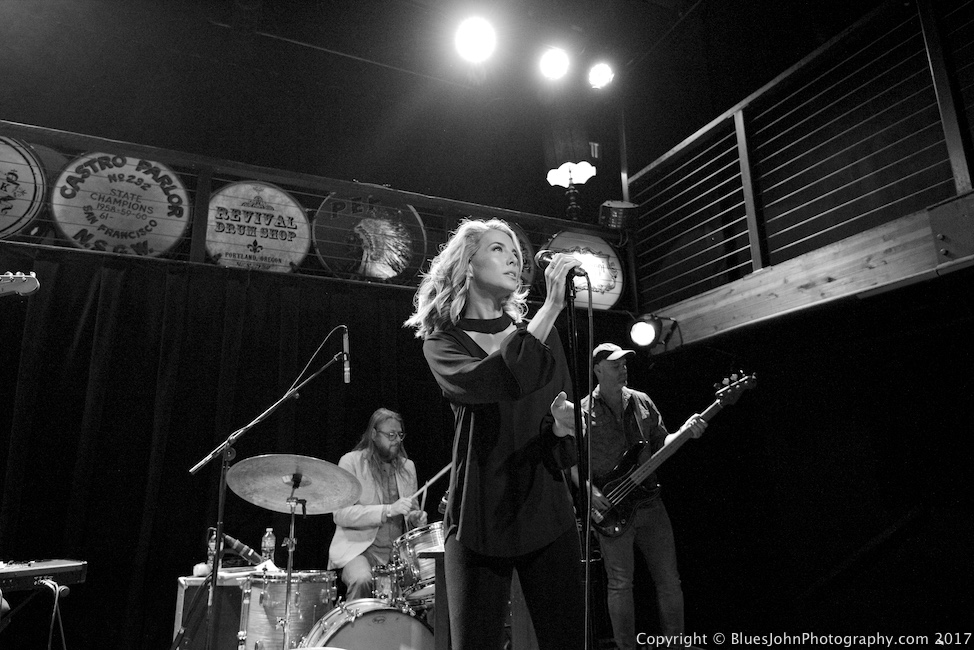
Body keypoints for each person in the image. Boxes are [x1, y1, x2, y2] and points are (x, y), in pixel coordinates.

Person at [404, 218, 585, 650]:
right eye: (499, 249)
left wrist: (562, 430)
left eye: (516, 254)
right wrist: (551, 308)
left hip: (545, 507)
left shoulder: (545, 336)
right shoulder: (443, 342)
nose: (514, 260)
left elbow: (563, 439)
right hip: (480, 514)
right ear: (468, 264)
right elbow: (490, 383)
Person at [578, 342, 706, 650]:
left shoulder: (642, 401)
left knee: (669, 580)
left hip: (650, 502)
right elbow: (570, 459)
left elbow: (663, 444)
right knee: (621, 584)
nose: (623, 369)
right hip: (610, 507)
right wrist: (589, 491)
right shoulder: (581, 411)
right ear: (597, 370)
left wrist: (687, 431)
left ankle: (676, 644)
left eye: (624, 364)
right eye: (615, 365)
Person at [328, 408, 428, 600]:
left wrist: (415, 519)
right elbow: (341, 514)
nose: (397, 440)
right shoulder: (351, 462)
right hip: (358, 551)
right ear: (374, 434)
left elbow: (410, 513)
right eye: (390, 435)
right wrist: (388, 510)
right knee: (362, 579)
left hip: (397, 555)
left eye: (400, 435)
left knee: (431, 584)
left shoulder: (408, 467)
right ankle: (356, 630)